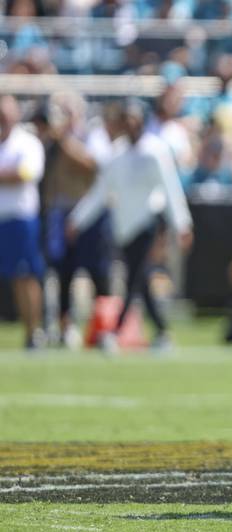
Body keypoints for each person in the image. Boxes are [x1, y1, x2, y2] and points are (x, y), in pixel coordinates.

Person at [67, 99, 193, 352]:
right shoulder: (118, 154)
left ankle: (115, 332)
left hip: (148, 223)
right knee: (141, 279)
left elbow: (170, 187)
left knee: (134, 278)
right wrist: (77, 220)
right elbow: (101, 192)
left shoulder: (156, 150)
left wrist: (182, 223)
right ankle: (162, 333)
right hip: (124, 227)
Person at [36, 92, 114, 349]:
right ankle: (66, 327)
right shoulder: (52, 142)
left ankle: (103, 328)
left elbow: (94, 164)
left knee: (97, 272)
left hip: (90, 214)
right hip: (61, 213)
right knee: (63, 273)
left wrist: (65, 141)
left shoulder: (93, 135)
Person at [0, 94, 47, 349]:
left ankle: (34, 331)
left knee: (25, 276)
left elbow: (27, 173)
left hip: (21, 219)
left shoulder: (27, 143)